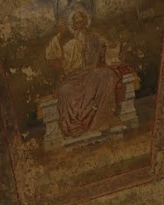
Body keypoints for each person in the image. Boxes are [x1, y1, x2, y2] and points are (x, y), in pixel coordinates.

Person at [46, 8, 122, 138]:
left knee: (106, 75)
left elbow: (109, 44)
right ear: (73, 25)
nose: (79, 24)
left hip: (92, 72)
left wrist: (112, 47)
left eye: (82, 21)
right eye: (77, 22)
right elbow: (58, 60)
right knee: (65, 90)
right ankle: (76, 125)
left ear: (86, 22)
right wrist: (59, 34)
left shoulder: (94, 37)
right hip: (75, 77)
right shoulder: (70, 44)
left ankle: (100, 120)